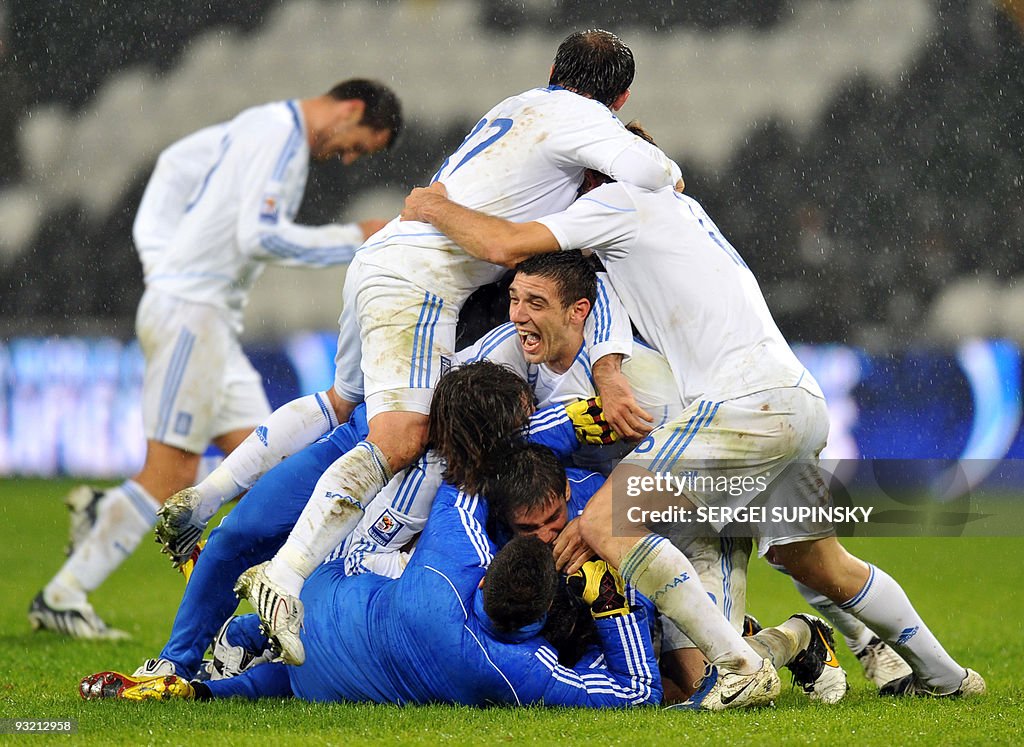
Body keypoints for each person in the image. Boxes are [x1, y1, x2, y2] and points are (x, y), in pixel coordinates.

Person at [399, 123, 986, 703]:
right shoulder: (679, 214)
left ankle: (743, 665)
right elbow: (597, 295)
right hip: (794, 398)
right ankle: (945, 676)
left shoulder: (620, 202)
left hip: (741, 401)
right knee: (816, 562)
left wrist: (437, 204)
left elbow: (507, 245)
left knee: (608, 523)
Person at [157, 32, 682, 668]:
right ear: (620, 99)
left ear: (550, 69)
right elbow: (656, 175)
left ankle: (210, 504)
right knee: (406, 437)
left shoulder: (517, 110)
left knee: (337, 404)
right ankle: (285, 579)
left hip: (379, 265)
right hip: (420, 289)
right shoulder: (579, 154)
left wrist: (438, 206)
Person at [28, 79, 403, 640]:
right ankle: (64, 593)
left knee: (263, 461)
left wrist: (163, 259)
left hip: (206, 317)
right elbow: (259, 236)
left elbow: (176, 165)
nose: (347, 159)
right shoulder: (280, 137)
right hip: (193, 315)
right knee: (170, 474)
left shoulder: (257, 121)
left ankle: (112, 510)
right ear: (350, 109)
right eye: (357, 145)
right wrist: (353, 237)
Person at [81, 367, 663, 709]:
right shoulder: (512, 664)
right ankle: (225, 640)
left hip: (334, 573)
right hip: (355, 518)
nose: (545, 534)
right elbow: (635, 689)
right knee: (248, 542)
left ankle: (221, 651)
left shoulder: (447, 560)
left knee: (248, 542)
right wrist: (616, 605)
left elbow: (472, 460)